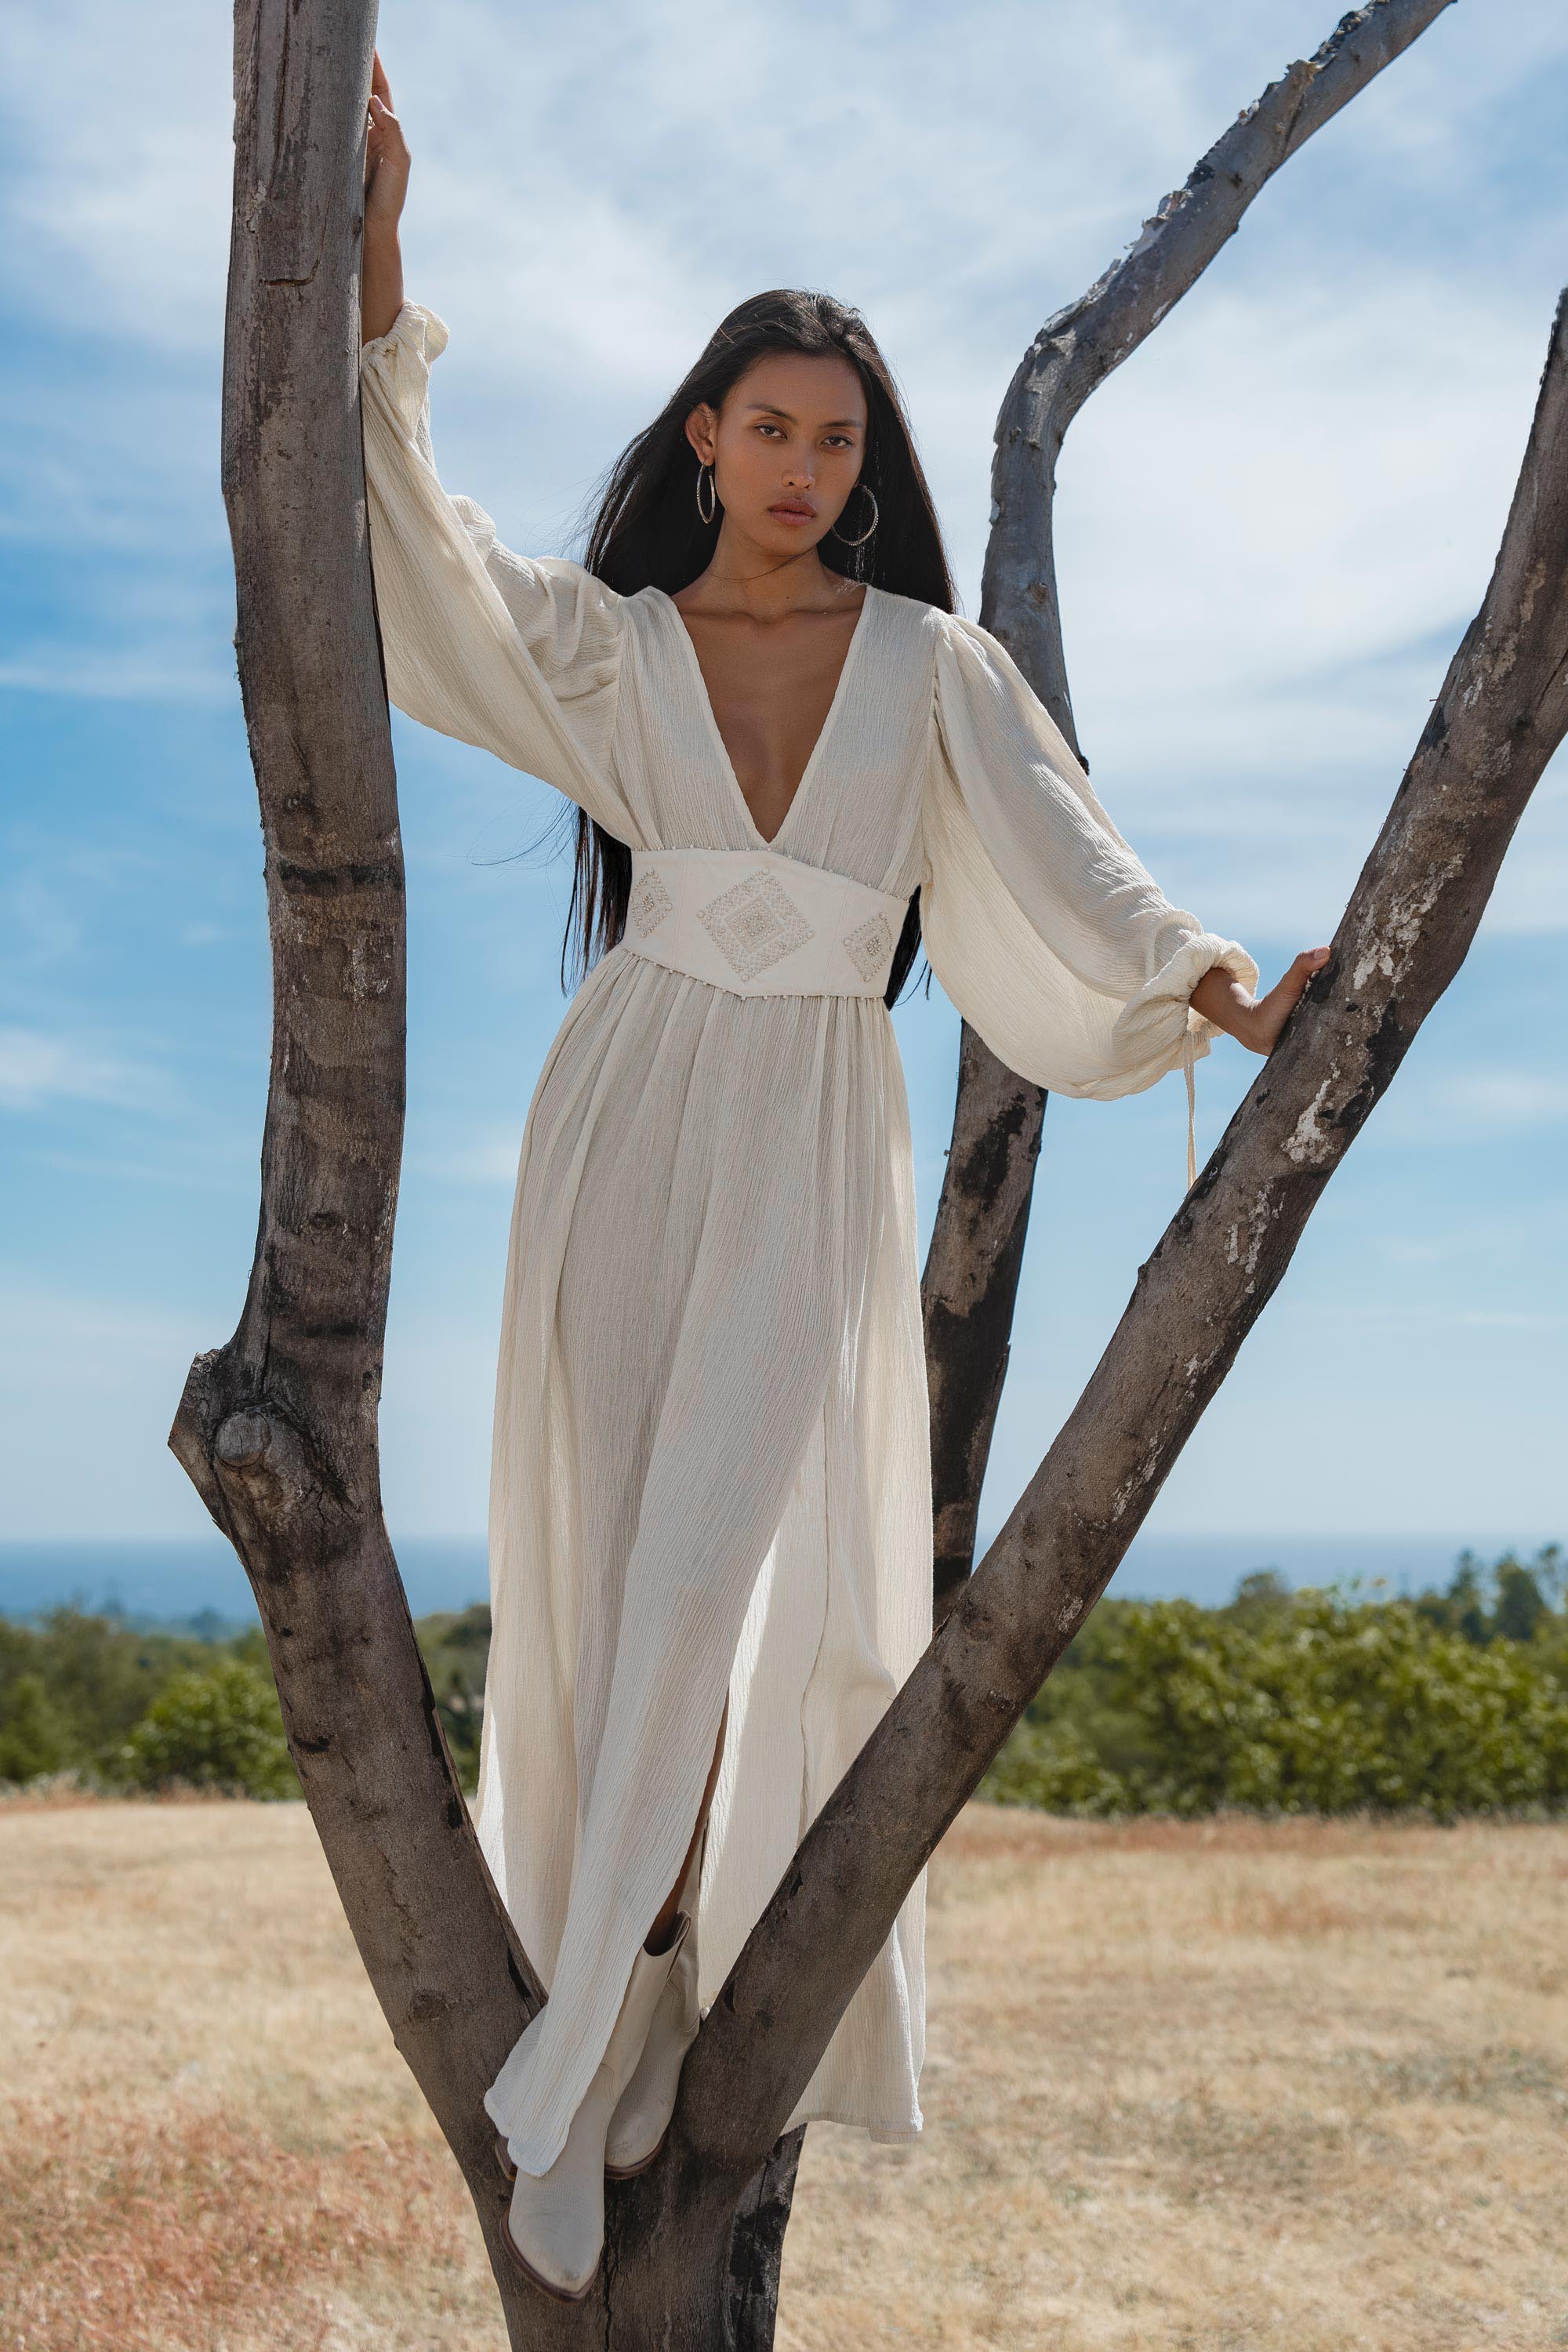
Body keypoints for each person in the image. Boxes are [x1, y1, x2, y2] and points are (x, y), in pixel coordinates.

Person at [356, 53, 1329, 2302]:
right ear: (705, 435)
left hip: (813, 1125)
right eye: (769, 427)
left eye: (838, 439)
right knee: (610, 1574)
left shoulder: (931, 663)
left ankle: (600, 2031)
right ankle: (594, 2059)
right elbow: (422, 553)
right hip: (621, 1117)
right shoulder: (616, 648)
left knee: (715, 1575)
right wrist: (385, 253)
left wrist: (1201, 976)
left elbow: (1068, 850)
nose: (806, 468)